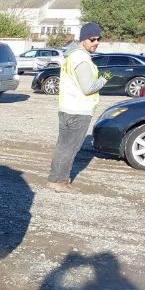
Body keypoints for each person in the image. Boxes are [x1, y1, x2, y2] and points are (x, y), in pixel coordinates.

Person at [48, 22, 111, 192]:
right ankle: (59, 182)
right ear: (83, 39)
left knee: (63, 146)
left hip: (67, 108)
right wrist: (105, 78)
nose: (96, 42)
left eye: (98, 39)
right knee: (69, 148)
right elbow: (88, 87)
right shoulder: (81, 58)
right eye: (92, 39)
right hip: (78, 111)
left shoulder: (72, 56)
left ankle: (55, 179)